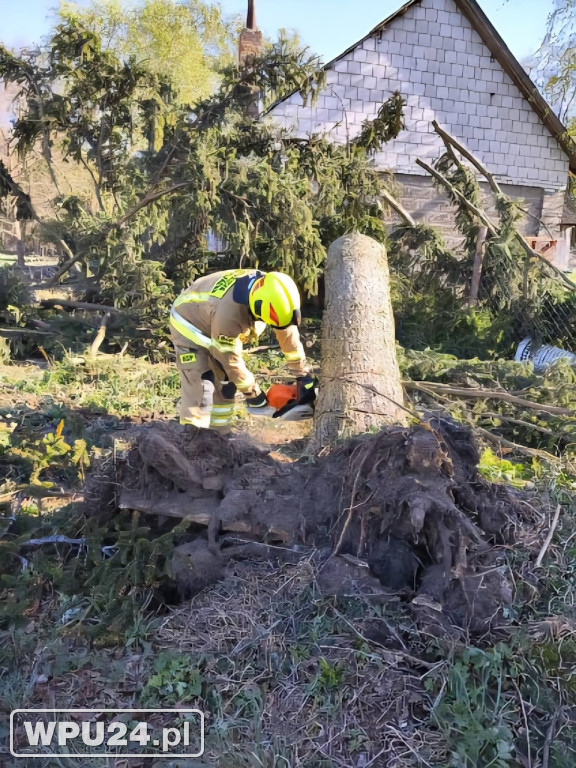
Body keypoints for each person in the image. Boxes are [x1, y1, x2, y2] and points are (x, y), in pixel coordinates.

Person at [169, 268, 314, 430]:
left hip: (213, 320)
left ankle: (220, 437)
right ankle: (192, 438)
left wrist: (302, 374)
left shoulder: (272, 291)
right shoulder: (229, 315)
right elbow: (228, 358)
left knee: (226, 386)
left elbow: (287, 334)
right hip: (189, 323)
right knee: (203, 385)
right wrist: (253, 393)